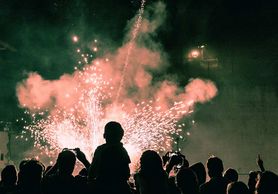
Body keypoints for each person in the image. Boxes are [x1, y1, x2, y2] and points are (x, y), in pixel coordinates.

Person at [88, 121, 132, 194]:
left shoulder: (100, 150)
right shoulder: (122, 151)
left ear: (104, 135)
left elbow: (92, 173)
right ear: (121, 135)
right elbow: (126, 173)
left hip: (102, 188)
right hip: (120, 189)